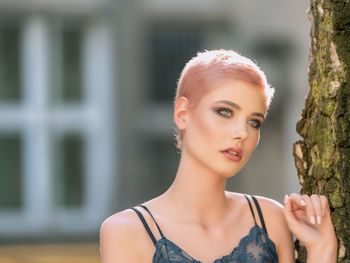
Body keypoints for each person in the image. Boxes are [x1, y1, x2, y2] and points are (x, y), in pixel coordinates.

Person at [100, 49, 337, 263]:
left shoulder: (270, 218)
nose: (242, 133)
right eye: (225, 112)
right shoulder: (126, 231)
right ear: (183, 114)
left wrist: (321, 249)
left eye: (254, 122)